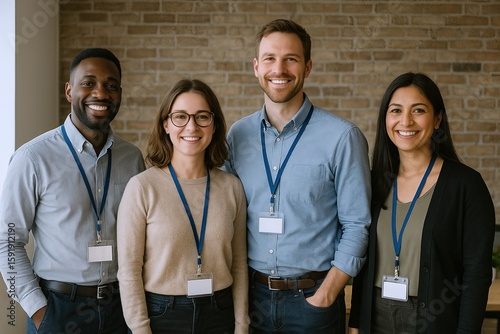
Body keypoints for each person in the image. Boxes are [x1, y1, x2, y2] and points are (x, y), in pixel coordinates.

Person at [224, 19, 371, 333]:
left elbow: (357, 225)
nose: (279, 69)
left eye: (290, 59)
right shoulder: (238, 135)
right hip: (251, 300)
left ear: (308, 67)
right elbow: (224, 215)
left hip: (313, 301)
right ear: (256, 67)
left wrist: (327, 293)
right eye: (270, 59)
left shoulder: (342, 137)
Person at [0, 48, 145, 333]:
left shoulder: (133, 158)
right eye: (88, 83)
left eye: (111, 85)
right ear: (69, 91)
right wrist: (37, 309)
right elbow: (7, 240)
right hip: (58, 309)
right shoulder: (32, 158)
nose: (101, 93)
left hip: (121, 308)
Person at [348, 72, 496, 333]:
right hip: (376, 315)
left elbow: (476, 275)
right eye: (396, 110)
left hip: (434, 319)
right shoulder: (373, 183)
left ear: (438, 119)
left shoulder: (466, 185)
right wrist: (356, 324)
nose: (406, 121)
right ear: (385, 119)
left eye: (418, 110)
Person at [117, 79, 249, 334]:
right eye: (180, 117)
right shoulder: (142, 187)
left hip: (220, 313)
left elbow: (239, 265)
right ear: (166, 124)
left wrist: (242, 326)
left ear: (214, 125)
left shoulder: (232, 187)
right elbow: (129, 271)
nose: (192, 126)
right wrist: (141, 330)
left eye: (202, 117)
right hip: (163, 315)